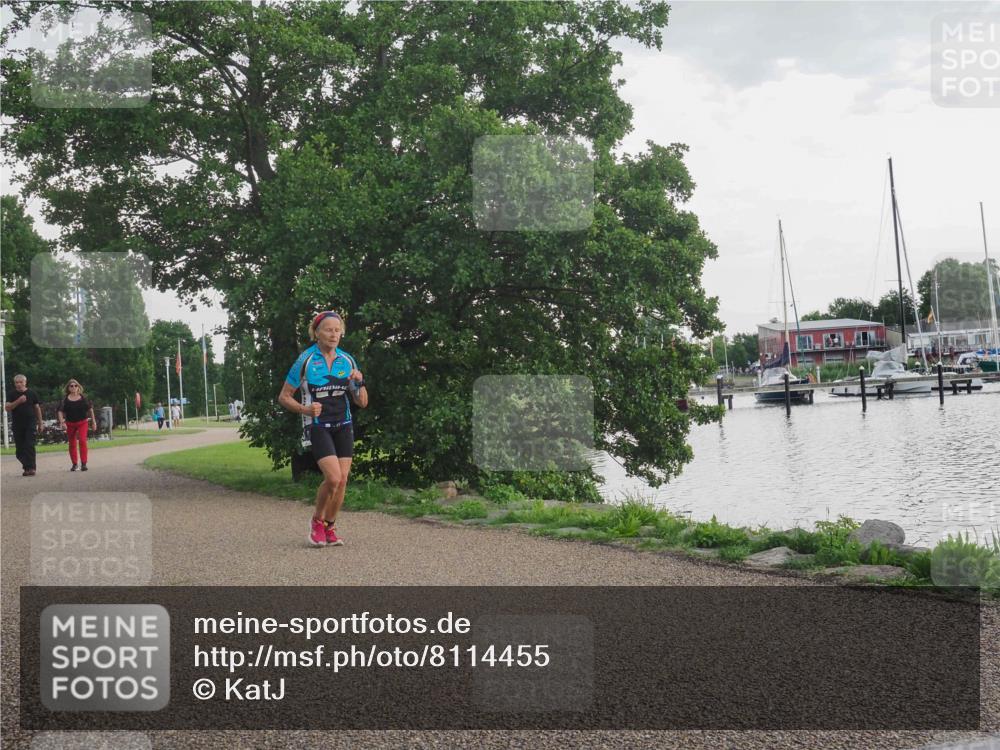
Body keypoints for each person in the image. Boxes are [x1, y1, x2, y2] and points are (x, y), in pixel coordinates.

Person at [278, 310, 368, 546]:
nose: (333, 334)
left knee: (343, 479)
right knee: (333, 477)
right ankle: (317, 521)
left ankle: (330, 526)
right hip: (318, 425)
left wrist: (359, 383)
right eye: (328, 330)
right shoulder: (305, 360)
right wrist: (305, 410)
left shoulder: (347, 360)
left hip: (343, 423)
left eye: (337, 330)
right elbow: (284, 397)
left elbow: (362, 402)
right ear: (316, 333)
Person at [4, 373, 43, 476]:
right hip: (17, 424)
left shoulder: (32, 393)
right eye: (17, 382)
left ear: (25, 382)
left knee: (29, 445)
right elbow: (7, 408)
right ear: (14, 384)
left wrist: (40, 423)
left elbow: (37, 408)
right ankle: (27, 468)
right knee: (20, 450)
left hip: (30, 422)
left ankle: (31, 468)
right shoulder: (11, 394)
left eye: (21, 382)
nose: (19, 384)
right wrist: (18, 401)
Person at [57, 379, 97, 471]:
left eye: (76, 385)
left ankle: (84, 463)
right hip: (70, 423)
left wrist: (94, 422)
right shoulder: (65, 400)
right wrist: (62, 422)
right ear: (68, 388)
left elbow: (90, 409)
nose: (74, 387)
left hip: (82, 422)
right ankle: (74, 464)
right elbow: (60, 411)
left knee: (82, 441)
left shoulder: (83, 398)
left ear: (78, 387)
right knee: (72, 443)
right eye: (71, 386)